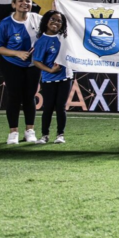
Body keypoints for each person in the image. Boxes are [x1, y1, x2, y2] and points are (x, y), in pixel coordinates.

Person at [0, 0, 43, 144]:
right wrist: (17, 53)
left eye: (28, 1)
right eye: (20, 0)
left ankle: (30, 131)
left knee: (29, 96)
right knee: (14, 96)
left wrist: (56, 7)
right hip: (11, 64)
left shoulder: (38, 19)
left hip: (33, 65)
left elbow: (54, 25)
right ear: (13, 4)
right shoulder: (6, 23)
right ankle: (13, 132)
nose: (24, 3)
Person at [32, 10, 72, 145]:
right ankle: (44, 135)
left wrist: (59, 5)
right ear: (46, 21)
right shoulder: (41, 41)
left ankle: (60, 135)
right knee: (48, 107)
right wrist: (50, 69)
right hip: (49, 79)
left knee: (61, 107)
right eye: (53, 19)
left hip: (65, 77)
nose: (56, 22)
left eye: (59, 21)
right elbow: (36, 61)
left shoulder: (65, 38)